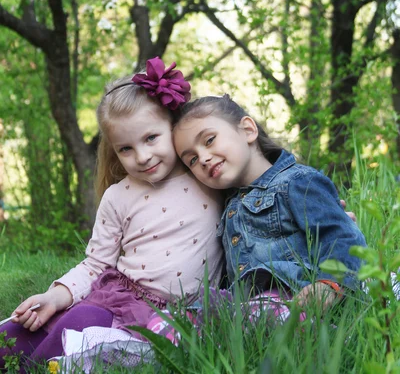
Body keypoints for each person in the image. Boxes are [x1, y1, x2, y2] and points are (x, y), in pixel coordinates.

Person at [0, 58, 224, 372]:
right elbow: (95, 265)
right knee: (13, 333)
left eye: (150, 138)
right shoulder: (119, 195)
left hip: (174, 315)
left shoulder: (209, 177)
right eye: (125, 149)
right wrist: (56, 295)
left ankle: (37, 366)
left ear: (173, 125)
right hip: (119, 296)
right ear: (113, 150)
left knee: (81, 325)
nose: (142, 157)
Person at [173, 94, 367, 312]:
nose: (203, 158)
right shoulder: (228, 207)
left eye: (209, 140)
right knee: (182, 316)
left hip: (298, 299)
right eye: (192, 160)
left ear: (248, 130)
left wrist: (330, 284)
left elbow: (341, 236)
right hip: (248, 305)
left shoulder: (297, 182)